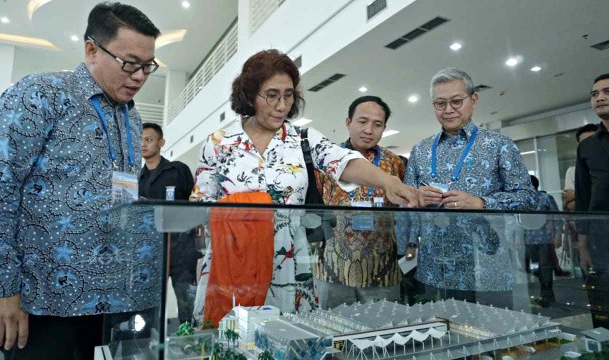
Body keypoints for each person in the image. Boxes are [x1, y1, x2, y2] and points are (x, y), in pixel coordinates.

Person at [0, 3, 161, 358]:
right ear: (91, 49)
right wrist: (0, 287)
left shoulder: (132, 119)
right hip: (43, 303)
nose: (139, 76)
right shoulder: (41, 94)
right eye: (130, 63)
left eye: (147, 66)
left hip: (112, 301)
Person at [190, 49, 418, 325]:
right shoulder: (219, 143)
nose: (282, 105)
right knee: (232, 338)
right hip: (232, 259)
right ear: (250, 94)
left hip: (288, 264)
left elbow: (344, 161)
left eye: (288, 95)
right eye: (272, 95)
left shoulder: (303, 139)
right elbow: (201, 202)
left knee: (286, 337)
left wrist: (388, 181)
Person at [403, 67, 537, 306]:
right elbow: (405, 202)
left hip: (486, 266)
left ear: (473, 100)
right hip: (436, 269)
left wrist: (482, 203)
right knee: (443, 338)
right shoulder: (420, 150)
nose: (448, 110)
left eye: (456, 101)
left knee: (494, 337)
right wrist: (416, 198)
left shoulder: (499, 144)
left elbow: (528, 197)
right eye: (440, 104)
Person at [313, 96, 404, 309]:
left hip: (381, 269)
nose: (369, 129)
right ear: (348, 122)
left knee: (383, 334)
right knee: (332, 333)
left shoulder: (395, 164)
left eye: (377, 124)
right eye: (362, 121)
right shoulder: (327, 162)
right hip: (332, 268)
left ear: (384, 128)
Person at [138, 122, 199, 325]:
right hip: (150, 253)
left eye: (149, 139)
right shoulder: (137, 178)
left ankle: (189, 342)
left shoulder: (178, 170)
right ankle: (149, 344)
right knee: (148, 305)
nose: (143, 144)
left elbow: (195, 204)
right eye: (141, 140)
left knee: (187, 301)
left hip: (181, 251)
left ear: (161, 142)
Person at [575, 72, 609, 328]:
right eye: (595, 94)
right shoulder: (587, 147)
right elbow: (584, 198)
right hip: (601, 240)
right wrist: (583, 245)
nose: (600, 98)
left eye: (607, 92)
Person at [524, 175, 562, 307]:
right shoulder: (523, 200)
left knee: (545, 268)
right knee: (533, 268)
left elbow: (556, 217)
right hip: (529, 241)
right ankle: (541, 292)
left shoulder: (546, 198)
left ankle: (547, 296)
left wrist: (557, 236)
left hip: (545, 239)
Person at [563, 124, 599, 211]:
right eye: (584, 143)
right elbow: (570, 203)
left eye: (593, 141)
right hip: (588, 220)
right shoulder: (573, 170)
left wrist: (578, 194)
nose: (589, 146)